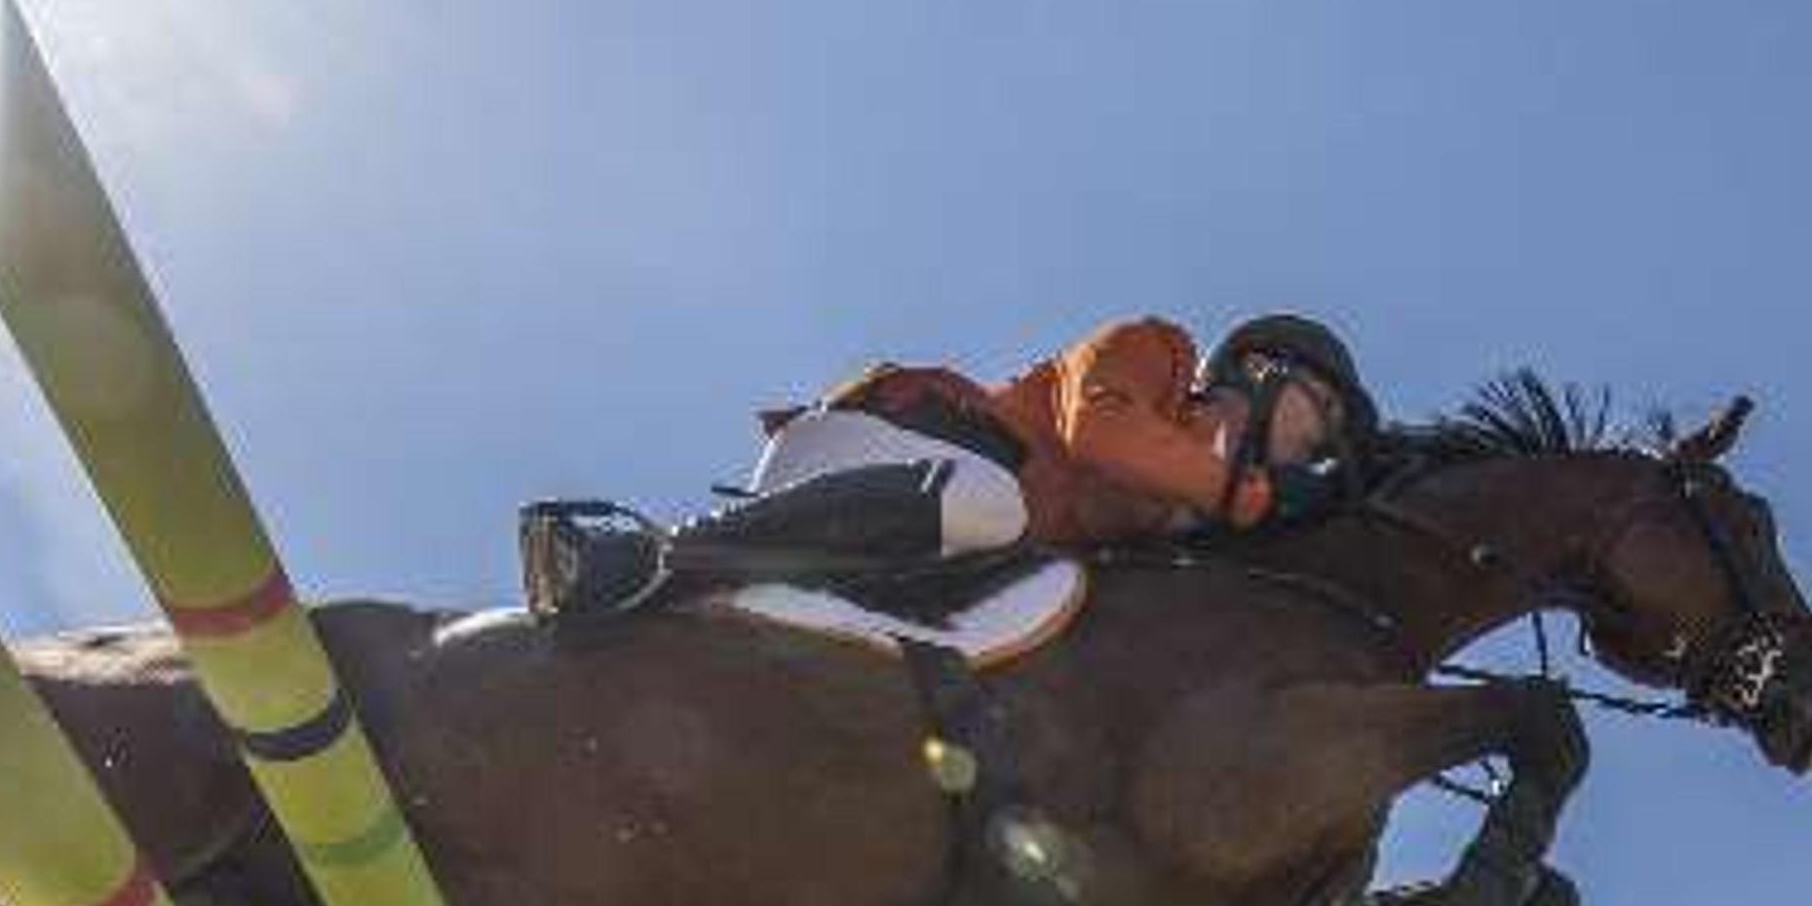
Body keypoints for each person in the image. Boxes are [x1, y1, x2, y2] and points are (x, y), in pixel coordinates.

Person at [522, 313, 1376, 617]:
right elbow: (1098, 433)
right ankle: (640, 556)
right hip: (878, 450)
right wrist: (1252, 498)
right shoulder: (1153, 348)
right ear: (1264, 374)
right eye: (1327, 413)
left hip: (935, 549)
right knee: (988, 503)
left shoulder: (1192, 513)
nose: (1324, 442)